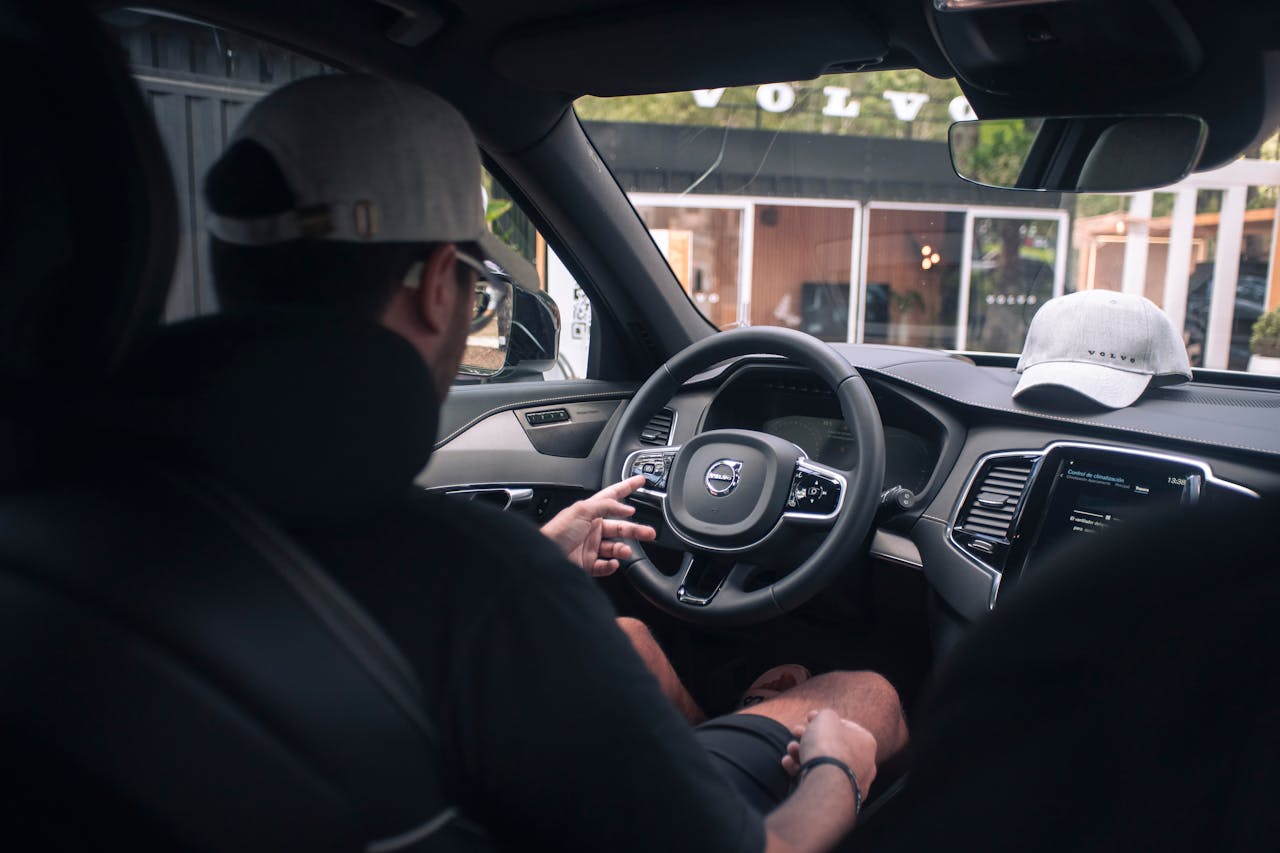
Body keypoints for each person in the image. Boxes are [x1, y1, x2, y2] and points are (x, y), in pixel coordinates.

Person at [203, 72, 908, 852]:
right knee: (861, 694)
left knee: (635, 638)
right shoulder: (487, 582)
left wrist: (544, 555)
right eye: (479, 287)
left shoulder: (127, 495)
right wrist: (835, 769)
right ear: (442, 287)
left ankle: (719, 733)